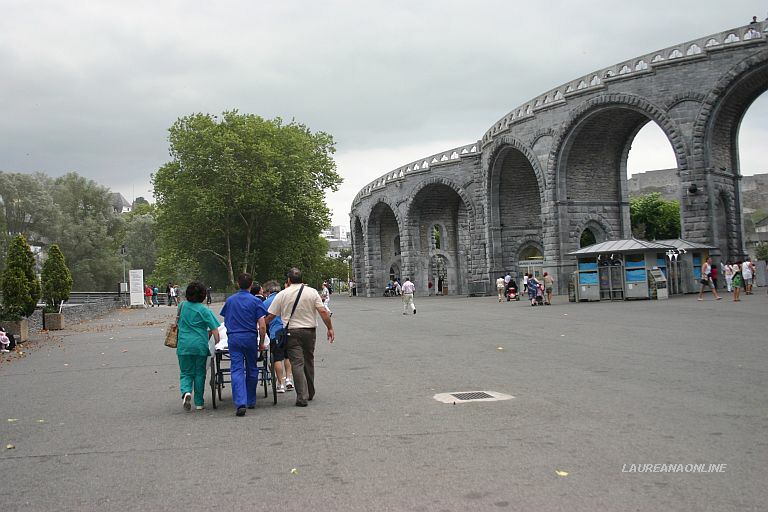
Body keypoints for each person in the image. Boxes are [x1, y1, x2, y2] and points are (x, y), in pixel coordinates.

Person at [265, 267, 334, 407]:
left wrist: (258, 326)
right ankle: (310, 390)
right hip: (309, 331)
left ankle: (301, 396)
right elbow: (322, 311)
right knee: (309, 359)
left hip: (292, 332)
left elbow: (271, 316)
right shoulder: (312, 292)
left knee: (297, 363)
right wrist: (330, 328)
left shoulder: (282, 294)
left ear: (289, 280)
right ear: (302, 279)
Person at [220, 273, 268, 416]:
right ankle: (251, 400)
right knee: (252, 368)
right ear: (251, 284)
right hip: (250, 337)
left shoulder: (230, 301)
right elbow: (262, 325)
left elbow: (226, 320)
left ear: (237, 284)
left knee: (236, 369)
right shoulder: (255, 301)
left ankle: (240, 402)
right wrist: (261, 342)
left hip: (234, 338)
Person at [177, 282, 221, 411]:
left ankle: (186, 392)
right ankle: (199, 402)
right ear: (203, 295)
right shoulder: (204, 310)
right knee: (200, 373)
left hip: (183, 345)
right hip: (200, 345)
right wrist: (218, 343)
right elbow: (215, 330)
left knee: (185, 372)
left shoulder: (181, 306)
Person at [262, 280, 294, 394]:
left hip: (275, 332)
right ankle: (289, 379)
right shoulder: (286, 298)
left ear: (268, 291)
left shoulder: (266, 302)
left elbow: (263, 320)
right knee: (287, 356)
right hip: (288, 329)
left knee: (277, 358)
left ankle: (280, 384)